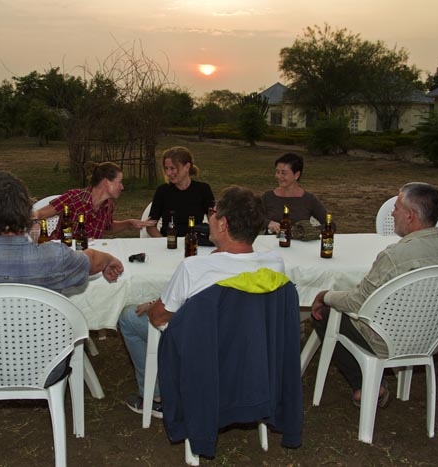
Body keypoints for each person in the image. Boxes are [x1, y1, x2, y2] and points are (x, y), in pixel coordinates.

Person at [118, 185, 285, 417]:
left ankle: (157, 396)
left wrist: (155, 304)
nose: (210, 217)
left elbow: (158, 317)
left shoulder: (195, 267)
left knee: (128, 316)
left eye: (213, 212)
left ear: (223, 224)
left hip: (205, 351)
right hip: (249, 349)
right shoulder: (275, 265)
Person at [310, 182, 438, 406]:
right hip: (431, 340)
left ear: (410, 215)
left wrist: (324, 296)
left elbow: (358, 301)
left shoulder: (395, 256)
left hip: (387, 339)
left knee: (326, 313)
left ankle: (367, 385)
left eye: (396, 207)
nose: (392, 212)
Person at [0, 171, 124, 294]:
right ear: (26, 210)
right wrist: (108, 260)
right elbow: (91, 260)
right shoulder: (56, 257)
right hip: (45, 357)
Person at [33, 161, 155, 239]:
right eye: (120, 182)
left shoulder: (109, 206)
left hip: (90, 255)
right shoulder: (74, 197)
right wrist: (29, 221)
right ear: (107, 182)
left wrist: (129, 223)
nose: (122, 187)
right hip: (63, 254)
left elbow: (108, 227)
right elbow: (40, 213)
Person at [145, 146, 215, 238]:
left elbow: (214, 220)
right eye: (166, 168)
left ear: (187, 167)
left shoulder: (203, 189)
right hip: (169, 244)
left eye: (172, 168)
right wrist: (165, 243)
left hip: (194, 243)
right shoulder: (162, 191)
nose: (168, 173)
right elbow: (150, 226)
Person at [262, 153, 327, 234]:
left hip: (300, 245)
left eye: (283, 173)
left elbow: (330, 225)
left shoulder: (309, 199)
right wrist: (268, 223)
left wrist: (304, 232)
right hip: (271, 245)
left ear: (296, 175)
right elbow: (252, 220)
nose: (278, 176)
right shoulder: (268, 197)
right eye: (277, 172)